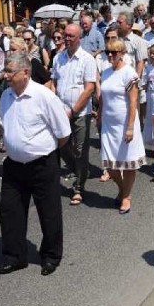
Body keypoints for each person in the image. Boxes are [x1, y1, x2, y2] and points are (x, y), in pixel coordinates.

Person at [0, 53, 71, 276]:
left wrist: (43, 150)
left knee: (49, 212)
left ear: (26, 72)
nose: (5, 76)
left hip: (42, 164)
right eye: (5, 71)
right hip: (14, 165)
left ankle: (50, 256)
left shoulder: (43, 96)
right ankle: (14, 256)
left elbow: (63, 133)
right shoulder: (7, 95)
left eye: (10, 72)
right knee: (10, 211)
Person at [51, 23, 97, 206]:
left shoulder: (87, 59)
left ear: (79, 38)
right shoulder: (58, 58)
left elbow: (89, 89)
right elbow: (54, 83)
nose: (67, 39)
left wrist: (73, 111)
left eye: (71, 36)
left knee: (80, 150)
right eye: (66, 35)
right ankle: (76, 171)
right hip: (60, 111)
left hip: (79, 113)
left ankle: (79, 187)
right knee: (62, 147)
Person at [99, 39, 146, 214]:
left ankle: (126, 196)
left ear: (122, 53)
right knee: (110, 165)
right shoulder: (105, 72)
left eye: (114, 52)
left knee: (128, 162)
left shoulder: (129, 73)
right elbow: (103, 97)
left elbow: (133, 101)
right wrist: (100, 115)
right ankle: (122, 189)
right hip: (108, 124)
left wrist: (130, 127)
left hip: (125, 124)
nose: (110, 55)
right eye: (107, 52)